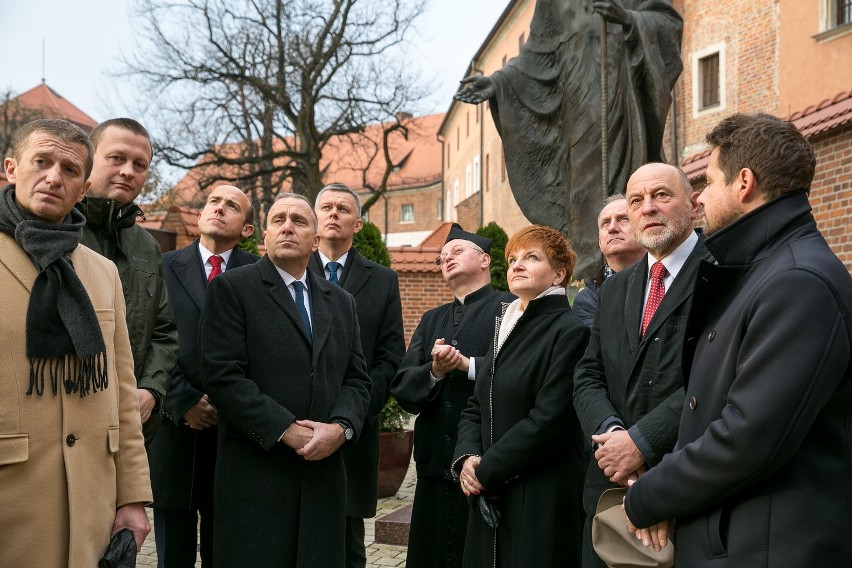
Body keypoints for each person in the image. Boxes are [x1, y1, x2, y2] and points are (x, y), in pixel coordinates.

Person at [624, 113, 852, 566]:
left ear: (743, 182)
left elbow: (748, 436)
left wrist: (648, 495)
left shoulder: (798, 280)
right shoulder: (758, 269)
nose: (701, 198)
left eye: (708, 181)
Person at [0, 119, 152, 566]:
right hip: (14, 500)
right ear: (11, 168)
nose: (54, 177)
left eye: (69, 169)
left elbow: (123, 392)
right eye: (42, 162)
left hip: (92, 504)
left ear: (83, 189)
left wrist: (133, 497)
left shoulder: (101, 272)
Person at [200, 192, 371, 568]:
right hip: (257, 476)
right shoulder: (232, 289)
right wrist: (286, 430)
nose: (288, 227)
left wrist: (341, 429)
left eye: (299, 220)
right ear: (264, 235)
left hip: (322, 479)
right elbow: (223, 377)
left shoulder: (341, 301)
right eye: (278, 220)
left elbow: (357, 380)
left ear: (315, 239)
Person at [454, 0, 683, 276]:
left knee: (629, 186)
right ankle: (588, 275)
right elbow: (536, 55)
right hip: (576, 107)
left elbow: (668, 24)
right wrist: (498, 82)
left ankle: (636, 268)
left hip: (624, 102)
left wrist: (628, 19)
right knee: (583, 189)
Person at [572, 162, 711, 568]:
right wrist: (612, 435)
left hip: (684, 488)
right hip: (607, 489)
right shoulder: (616, 288)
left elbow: (718, 377)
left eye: (661, 196)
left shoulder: (722, 274)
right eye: (637, 200)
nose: (648, 208)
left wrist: (643, 445)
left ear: (693, 206)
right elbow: (588, 374)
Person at [452, 225, 590, 567]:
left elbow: (550, 421)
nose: (517, 264)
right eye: (512, 258)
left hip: (540, 492)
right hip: (490, 490)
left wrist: (486, 471)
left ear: (559, 273)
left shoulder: (570, 331)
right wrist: (467, 458)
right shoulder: (507, 323)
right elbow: (475, 405)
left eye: (531, 257)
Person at [390, 223, 514, 568]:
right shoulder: (432, 319)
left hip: (483, 463)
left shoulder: (511, 309)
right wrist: (435, 372)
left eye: (456, 251)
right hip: (432, 466)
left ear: (485, 259)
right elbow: (402, 387)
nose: (447, 258)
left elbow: (522, 374)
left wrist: (468, 365)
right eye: (442, 257)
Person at [148, 185, 258, 567]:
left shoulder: (259, 276)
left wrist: (230, 405)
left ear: (247, 229)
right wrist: (184, 401)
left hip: (234, 435)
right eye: (214, 201)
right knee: (172, 553)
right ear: (199, 214)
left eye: (232, 206)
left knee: (225, 552)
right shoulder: (162, 265)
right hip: (175, 429)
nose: (220, 208)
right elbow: (147, 339)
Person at [309, 183, 405, 568]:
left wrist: (356, 412)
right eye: (326, 207)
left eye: (343, 209)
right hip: (298, 424)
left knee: (348, 543)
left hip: (354, 431)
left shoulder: (382, 280)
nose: (333, 213)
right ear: (315, 220)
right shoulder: (288, 271)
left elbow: (389, 356)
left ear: (359, 224)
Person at [77, 118, 178, 445]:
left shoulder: (147, 245)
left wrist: (152, 389)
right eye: (116, 158)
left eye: (140, 165)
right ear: (89, 160)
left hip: (126, 429)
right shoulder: (57, 229)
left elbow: (164, 331)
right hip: (63, 422)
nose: (128, 171)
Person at [573, 194, 644, 326]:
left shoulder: (666, 280)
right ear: (600, 242)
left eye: (623, 219)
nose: (612, 228)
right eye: (606, 223)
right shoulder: (586, 300)